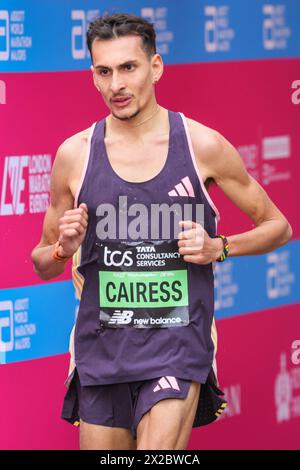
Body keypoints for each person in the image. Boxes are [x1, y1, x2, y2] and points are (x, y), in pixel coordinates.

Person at [31, 13, 292, 451]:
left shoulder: (201, 144)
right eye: (104, 71)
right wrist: (62, 249)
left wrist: (219, 247)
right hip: (102, 348)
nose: (116, 83)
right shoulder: (74, 155)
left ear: (155, 67)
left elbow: (278, 227)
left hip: (177, 342)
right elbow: (40, 261)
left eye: (128, 68)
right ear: (93, 76)